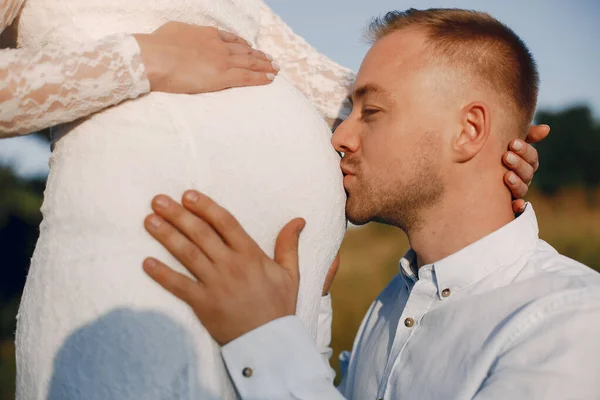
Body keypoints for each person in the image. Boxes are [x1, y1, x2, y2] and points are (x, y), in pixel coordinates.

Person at [0, 1, 543, 399]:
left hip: (280, 322)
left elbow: (383, 95)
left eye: (367, 115)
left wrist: (493, 147)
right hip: (134, 276)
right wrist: (140, 60)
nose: (344, 134)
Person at [143, 8, 600, 400]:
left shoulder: (572, 323)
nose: (340, 136)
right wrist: (306, 321)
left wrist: (264, 338)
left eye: (372, 112)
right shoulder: (394, 303)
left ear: (469, 131)